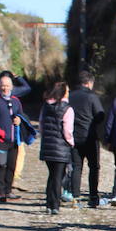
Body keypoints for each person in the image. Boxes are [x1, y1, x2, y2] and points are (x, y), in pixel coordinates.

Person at [0, 72, 31, 202]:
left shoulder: (16, 101)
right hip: (1, 139)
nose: (5, 88)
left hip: (14, 139)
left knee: (12, 165)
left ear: (11, 87)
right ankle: (1, 192)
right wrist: (0, 132)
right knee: (1, 164)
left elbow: (21, 115)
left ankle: (8, 190)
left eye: (7, 85)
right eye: (3, 85)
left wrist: (19, 120)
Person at [67, 72, 105, 209]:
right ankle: (93, 197)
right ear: (89, 83)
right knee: (94, 167)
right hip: (90, 136)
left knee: (77, 167)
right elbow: (100, 115)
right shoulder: (92, 97)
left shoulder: (70, 96)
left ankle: (75, 197)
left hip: (73, 136)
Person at [38, 82, 75, 216]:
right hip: (61, 147)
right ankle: (55, 205)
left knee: (51, 176)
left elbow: (41, 127)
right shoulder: (67, 109)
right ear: (64, 93)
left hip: (47, 146)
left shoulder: (46, 106)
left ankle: (49, 204)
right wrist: (71, 143)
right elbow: (67, 131)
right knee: (58, 177)